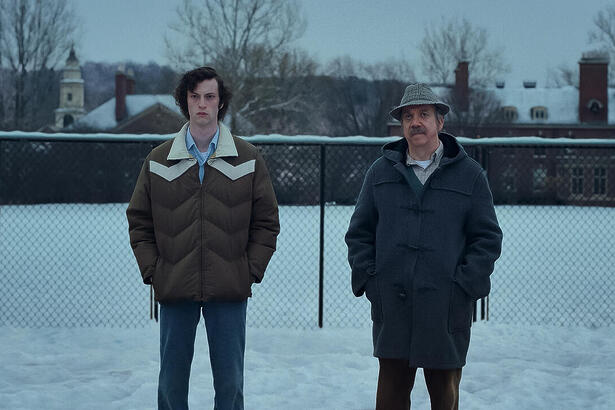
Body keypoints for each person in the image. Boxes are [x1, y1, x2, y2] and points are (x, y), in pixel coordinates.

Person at [126, 66, 280, 410]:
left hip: (229, 288)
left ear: (220, 102)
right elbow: (139, 221)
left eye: (209, 96)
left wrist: (248, 269)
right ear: (185, 101)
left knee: (230, 385)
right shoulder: (158, 160)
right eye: (194, 97)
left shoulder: (248, 158)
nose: (202, 104)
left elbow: (267, 222)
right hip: (174, 284)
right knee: (171, 384)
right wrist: (155, 270)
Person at [345, 83, 502, 410]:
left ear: (439, 122)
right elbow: (359, 234)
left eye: (424, 115)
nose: (416, 122)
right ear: (401, 125)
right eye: (408, 116)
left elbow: (486, 238)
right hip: (394, 309)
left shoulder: (470, 176)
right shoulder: (380, 173)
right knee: (390, 398)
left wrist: (464, 286)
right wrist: (372, 282)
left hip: (445, 311)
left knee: (445, 398)